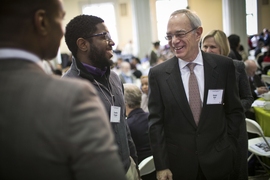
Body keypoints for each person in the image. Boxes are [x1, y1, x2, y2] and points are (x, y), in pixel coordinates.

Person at [0, 1, 126, 180]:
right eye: (60, 19)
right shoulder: (71, 95)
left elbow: (122, 124)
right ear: (42, 22)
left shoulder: (113, 78)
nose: (62, 32)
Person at [148, 9, 245, 180]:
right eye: (169, 36)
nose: (174, 41)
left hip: (219, 161)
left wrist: (229, 147)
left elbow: (234, 111)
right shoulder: (158, 74)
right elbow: (156, 123)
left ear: (198, 33)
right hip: (179, 166)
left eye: (180, 34)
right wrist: (161, 165)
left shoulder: (223, 66)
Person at [63, 14, 139, 180]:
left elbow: (122, 124)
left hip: (128, 169)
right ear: (83, 44)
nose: (112, 42)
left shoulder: (114, 78)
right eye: (105, 36)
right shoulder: (65, 89)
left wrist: (134, 161)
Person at [201, 29, 254, 179]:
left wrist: (230, 107)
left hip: (234, 130)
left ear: (223, 48)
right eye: (205, 46)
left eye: (212, 47)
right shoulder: (199, 70)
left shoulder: (237, 66)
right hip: (210, 131)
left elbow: (248, 98)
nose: (207, 50)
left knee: (237, 171)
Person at [123, 84, 155, 180]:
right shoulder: (152, 118)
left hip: (139, 171)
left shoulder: (127, 125)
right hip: (155, 167)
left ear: (124, 102)